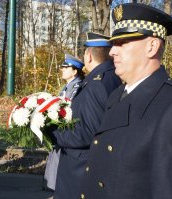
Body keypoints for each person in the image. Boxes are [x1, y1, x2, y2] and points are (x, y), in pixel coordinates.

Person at [80, 3, 172, 199]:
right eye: (113, 43)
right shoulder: (117, 95)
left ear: (151, 47)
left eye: (123, 43)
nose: (112, 51)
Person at [49, 32, 121, 199]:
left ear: (88, 56)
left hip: (80, 167)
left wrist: (52, 132)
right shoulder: (111, 77)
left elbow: (87, 133)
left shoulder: (96, 83)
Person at [44, 53, 85, 191]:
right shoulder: (67, 86)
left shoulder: (76, 86)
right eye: (62, 67)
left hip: (66, 134)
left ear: (75, 71)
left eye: (66, 67)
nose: (62, 69)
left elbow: (69, 110)